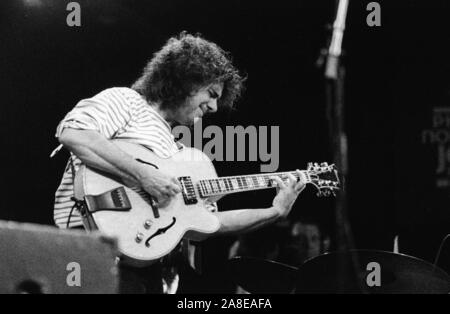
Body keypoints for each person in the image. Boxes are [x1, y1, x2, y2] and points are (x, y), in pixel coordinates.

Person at [53, 32, 306, 293]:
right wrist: (143, 176)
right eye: (211, 93)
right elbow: (74, 133)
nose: (215, 107)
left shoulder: (178, 152)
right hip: (90, 257)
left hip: (147, 273)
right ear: (186, 79)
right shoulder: (127, 101)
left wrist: (274, 212)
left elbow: (211, 223)